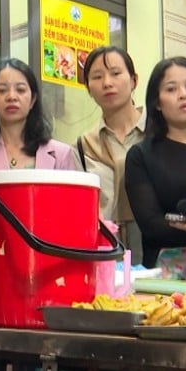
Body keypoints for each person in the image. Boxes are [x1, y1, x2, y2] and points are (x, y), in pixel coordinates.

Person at [0, 59, 78, 252]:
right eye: (2, 90)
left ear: (33, 99)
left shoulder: (61, 154)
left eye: (20, 90)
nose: (11, 97)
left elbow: (69, 216)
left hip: (48, 259)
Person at [123, 56, 186, 285]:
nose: (183, 94)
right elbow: (152, 227)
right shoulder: (141, 155)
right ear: (157, 102)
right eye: (171, 89)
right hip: (165, 281)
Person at [78, 46, 147, 264]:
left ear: (134, 80)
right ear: (88, 87)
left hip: (156, 251)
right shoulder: (84, 145)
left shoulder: (158, 133)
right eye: (97, 77)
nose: (107, 83)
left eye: (116, 74)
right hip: (105, 255)